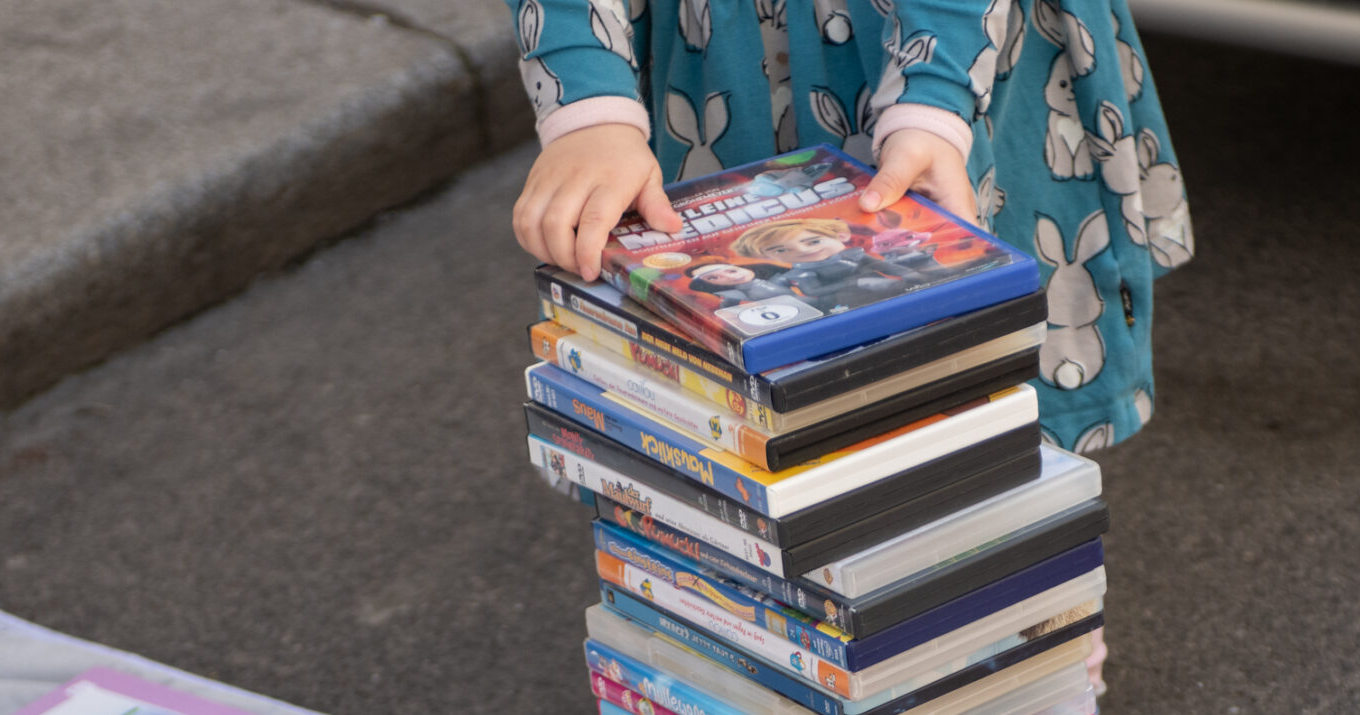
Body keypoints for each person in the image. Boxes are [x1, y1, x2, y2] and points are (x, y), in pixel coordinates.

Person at [503, 0, 1188, 451]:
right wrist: (588, 106)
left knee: (987, 373)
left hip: (957, 59)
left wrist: (933, 102)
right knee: (763, 407)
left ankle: (1023, 613)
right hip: (731, 71)